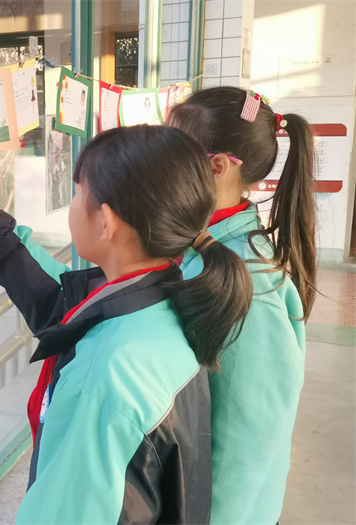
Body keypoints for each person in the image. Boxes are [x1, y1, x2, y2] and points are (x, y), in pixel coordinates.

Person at [0, 125, 253, 523]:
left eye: (78, 193)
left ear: (105, 221)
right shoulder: (163, 301)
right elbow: (59, 301)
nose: (73, 204)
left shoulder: (102, 377)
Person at [167, 86, 317, 524]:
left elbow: (248, 442)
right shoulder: (202, 244)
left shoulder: (247, 283)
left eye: (172, 151)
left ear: (216, 167)